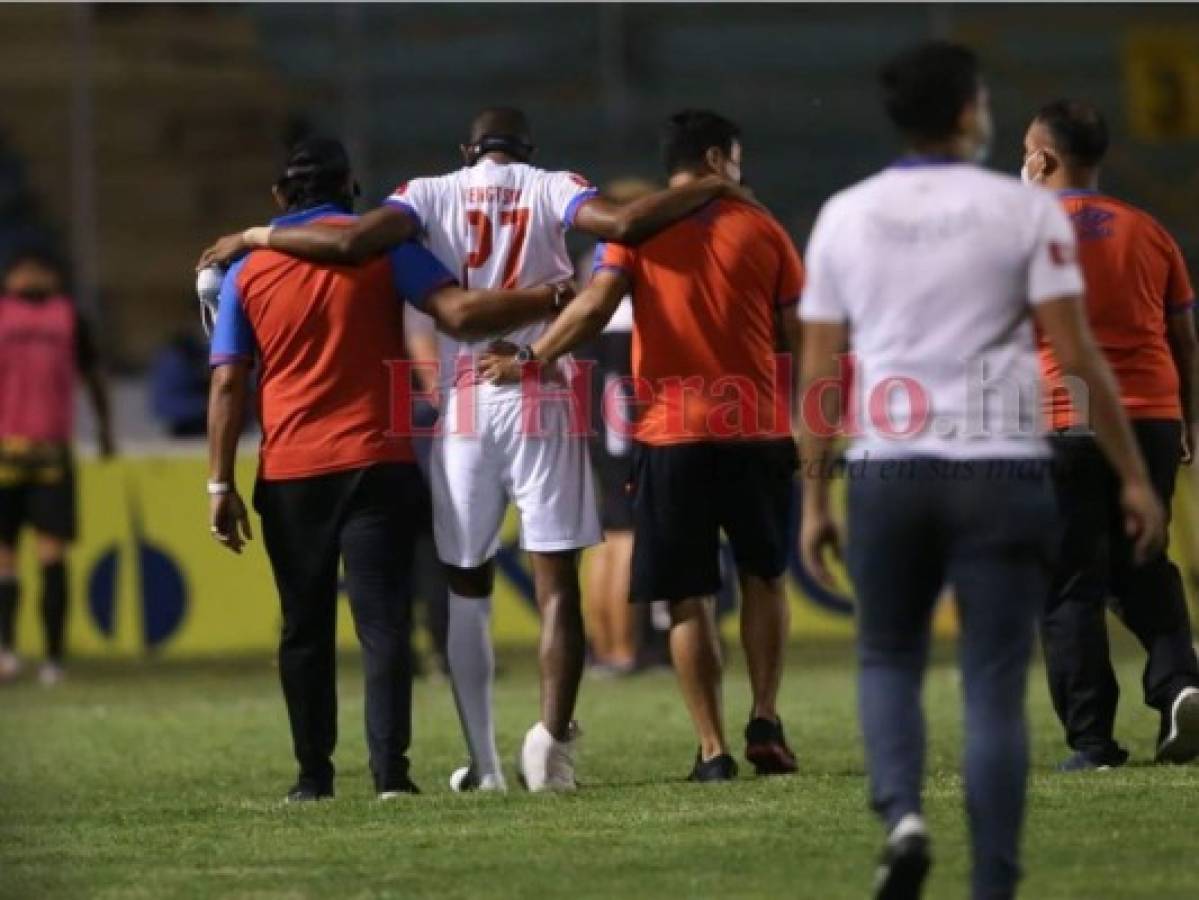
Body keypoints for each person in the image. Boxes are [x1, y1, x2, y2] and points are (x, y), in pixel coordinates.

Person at [199, 108, 741, 793]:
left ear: (467, 150)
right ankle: (532, 750)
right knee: (542, 590)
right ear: (526, 148)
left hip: (439, 415)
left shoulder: (417, 197)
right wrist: (710, 188)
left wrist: (253, 235)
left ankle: (463, 763)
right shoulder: (543, 187)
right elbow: (618, 228)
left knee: (448, 593)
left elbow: (333, 270)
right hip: (521, 398)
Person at [797, 43, 1166, 900]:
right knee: (993, 687)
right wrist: (1133, 476)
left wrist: (815, 491)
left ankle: (903, 818)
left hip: (888, 472)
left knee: (887, 659)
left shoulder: (845, 216)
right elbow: (1077, 355)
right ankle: (992, 882)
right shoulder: (1021, 212)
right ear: (970, 112)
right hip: (1000, 470)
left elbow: (817, 372)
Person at [204, 137, 576, 801]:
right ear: (351, 189)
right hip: (378, 461)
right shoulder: (386, 248)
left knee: (302, 628)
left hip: (291, 470)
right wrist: (548, 297)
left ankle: (312, 778)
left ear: (276, 200)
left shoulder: (246, 270)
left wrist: (219, 481)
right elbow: (459, 314)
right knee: (383, 626)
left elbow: (229, 382)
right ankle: (390, 776)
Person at [479, 110, 805, 782]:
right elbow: (793, 333)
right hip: (757, 430)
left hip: (670, 434)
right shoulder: (764, 226)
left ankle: (713, 750)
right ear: (718, 158)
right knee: (764, 577)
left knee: (687, 599)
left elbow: (596, 307)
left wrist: (530, 359)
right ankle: (765, 715)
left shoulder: (638, 228)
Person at [1022, 99, 1199, 769]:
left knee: (1070, 584)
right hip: (1150, 415)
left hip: (1061, 418)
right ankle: (1179, 681)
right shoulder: (1148, 230)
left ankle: (1092, 741)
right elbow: (1183, 336)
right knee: (1143, 564)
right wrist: (1187, 418)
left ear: (1039, 158)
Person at [0, 248, 115, 686]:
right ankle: (8, 650)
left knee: (50, 555)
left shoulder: (70, 318)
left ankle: (52, 657)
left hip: (49, 452)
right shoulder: (10, 313)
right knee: (6, 557)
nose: (29, 275)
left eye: (37, 268)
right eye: (22, 267)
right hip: (8, 451)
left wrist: (105, 430)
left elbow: (94, 375)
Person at [575, 177, 655, 676]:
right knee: (625, 534)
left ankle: (605, 646)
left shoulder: (594, 262)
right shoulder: (634, 264)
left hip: (596, 408)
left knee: (607, 533)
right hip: (623, 407)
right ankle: (623, 649)